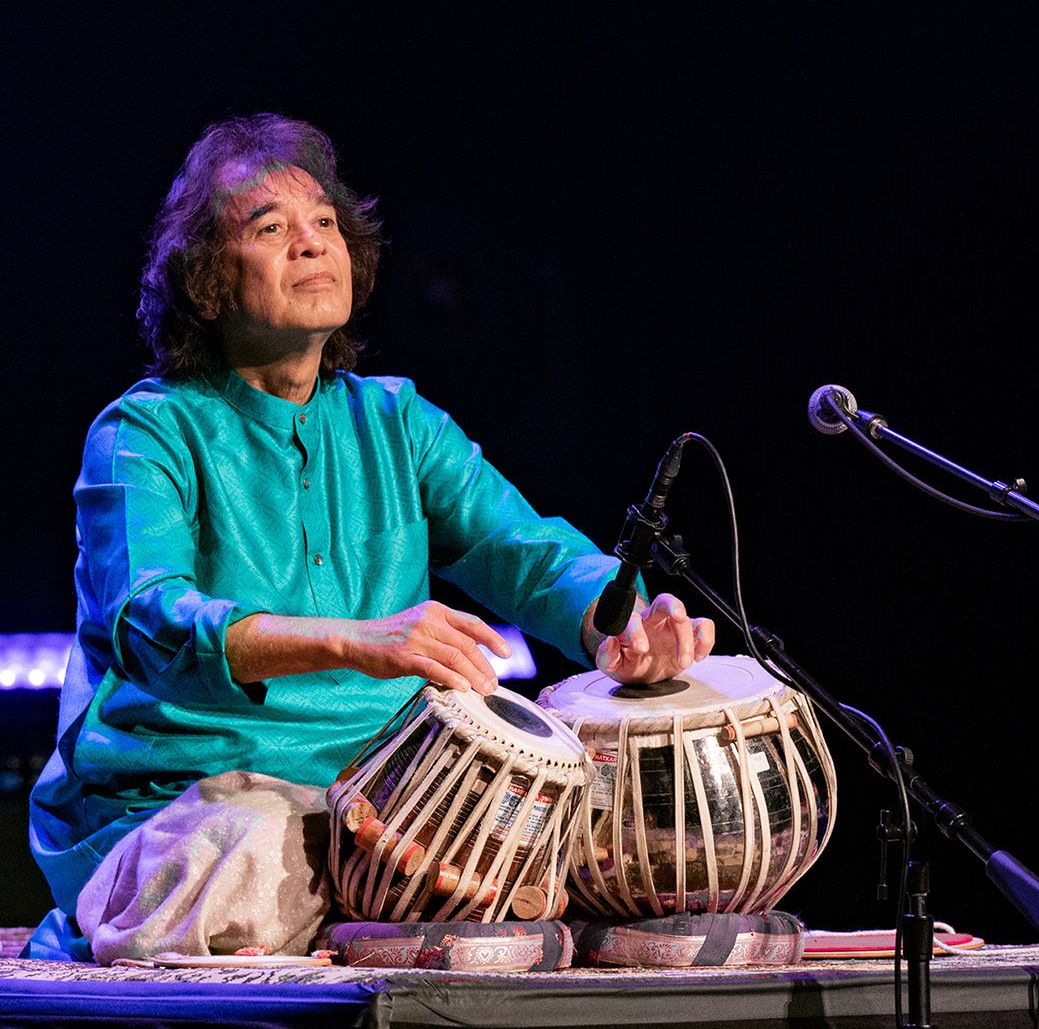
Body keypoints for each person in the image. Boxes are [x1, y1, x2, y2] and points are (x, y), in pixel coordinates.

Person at [27, 114, 715, 962]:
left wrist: (626, 625)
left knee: (614, 823)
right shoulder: (146, 433)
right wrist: (358, 642)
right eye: (270, 229)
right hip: (191, 794)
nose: (312, 245)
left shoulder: (396, 421)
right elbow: (151, 620)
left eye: (325, 225)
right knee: (247, 859)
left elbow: (528, 553)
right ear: (206, 276)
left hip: (389, 798)